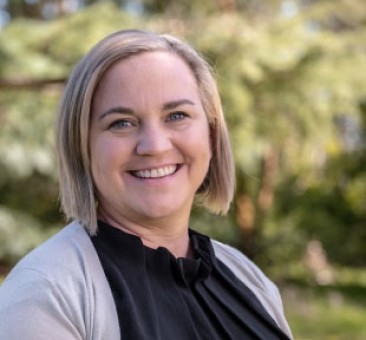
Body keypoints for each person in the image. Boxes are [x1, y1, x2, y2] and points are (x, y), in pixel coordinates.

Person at [0, 29, 293, 340]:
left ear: (211, 133)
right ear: (81, 146)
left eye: (177, 115)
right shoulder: (46, 294)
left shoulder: (249, 280)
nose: (154, 145)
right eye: (121, 123)